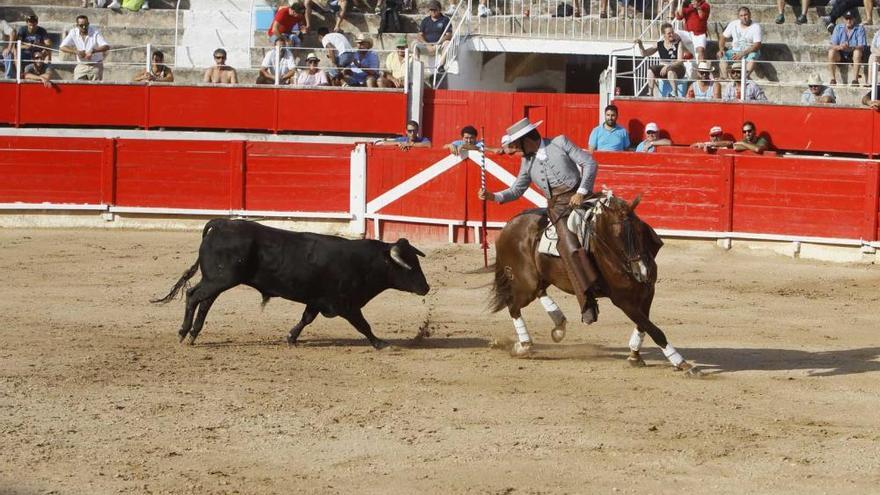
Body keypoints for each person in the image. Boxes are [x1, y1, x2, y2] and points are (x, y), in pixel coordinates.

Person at [478, 117, 601, 329]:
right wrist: (493, 196)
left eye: (518, 143)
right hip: (557, 209)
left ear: (528, 139)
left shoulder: (560, 142)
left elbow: (589, 163)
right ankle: (587, 299)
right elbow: (517, 190)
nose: (515, 148)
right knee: (568, 245)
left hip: (582, 199)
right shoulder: (527, 162)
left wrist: (581, 192)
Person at [635, 23, 690, 97]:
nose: (672, 35)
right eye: (669, 33)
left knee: (670, 71)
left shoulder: (678, 43)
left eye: (672, 32)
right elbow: (644, 53)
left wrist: (667, 66)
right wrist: (640, 45)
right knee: (650, 70)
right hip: (664, 70)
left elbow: (680, 61)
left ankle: (675, 95)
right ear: (664, 35)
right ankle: (650, 94)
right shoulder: (659, 44)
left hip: (678, 68)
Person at [59, 15, 110, 81]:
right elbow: (62, 47)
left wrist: (93, 51)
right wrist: (76, 52)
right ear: (77, 25)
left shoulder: (95, 31)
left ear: (88, 24)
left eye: (86, 25)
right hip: (81, 65)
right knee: (78, 87)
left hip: (95, 65)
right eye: (81, 25)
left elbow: (106, 46)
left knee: (95, 89)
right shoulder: (73, 32)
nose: (84, 27)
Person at [717, 6, 762, 78]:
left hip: (750, 51)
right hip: (734, 51)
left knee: (752, 59)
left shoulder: (756, 26)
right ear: (738, 17)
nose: (744, 17)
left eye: (745, 15)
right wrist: (721, 49)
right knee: (722, 57)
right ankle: (725, 79)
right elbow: (723, 37)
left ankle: (744, 78)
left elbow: (757, 45)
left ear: (750, 15)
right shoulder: (733, 24)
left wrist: (742, 53)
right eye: (741, 15)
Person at [827, 11, 866, 85]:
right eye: (847, 19)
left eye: (850, 19)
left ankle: (855, 80)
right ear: (844, 19)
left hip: (853, 54)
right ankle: (832, 79)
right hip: (841, 53)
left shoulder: (860, 28)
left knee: (857, 52)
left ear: (854, 19)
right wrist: (840, 47)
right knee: (831, 52)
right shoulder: (838, 27)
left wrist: (850, 47)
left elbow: (862, 46)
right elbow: (832, 45)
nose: (848, 21)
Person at [412, 0, 451, 71]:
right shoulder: (425, 20)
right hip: (427, 45)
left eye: (435, 9)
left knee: (447, 43)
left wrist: (438, 43)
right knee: (414, 44)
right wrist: (427, 45)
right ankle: (416, 66)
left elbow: (448, 35)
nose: (433, 11)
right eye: (431, 9)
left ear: (439, 9)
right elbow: (420, 35)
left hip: (439, 45)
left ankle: (441, 66)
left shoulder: (445, 20)